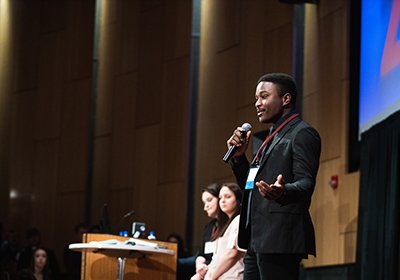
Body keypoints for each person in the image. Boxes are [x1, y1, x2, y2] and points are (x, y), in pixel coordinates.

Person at [226, 73, 321, 280]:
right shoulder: (270, 138)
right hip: (256, 239)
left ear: (285, 99)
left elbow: (306, 183)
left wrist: (282, 191)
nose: (257, 104)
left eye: (264, 96)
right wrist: (239, 158)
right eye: (256, 98)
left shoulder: (302, 133)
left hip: (280, 240)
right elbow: (250, 187)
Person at [191, 182, 245, 280]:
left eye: (227, 197)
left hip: (231, 276)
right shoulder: (224, 225)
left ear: (238, 199)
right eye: (220, 198)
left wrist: (211, 277)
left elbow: (232, 255)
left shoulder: (238, 220)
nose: (223, 201)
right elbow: (215, 258)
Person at [178, 183, 222, 280]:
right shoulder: (209, 227)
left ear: (220, 198)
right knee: (177, 263)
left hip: (218, 268)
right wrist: (199, 264)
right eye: (204, 203)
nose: (205, 207)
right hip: (205, 265)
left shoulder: (231, 224)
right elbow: (202, 253)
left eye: (209, 200)